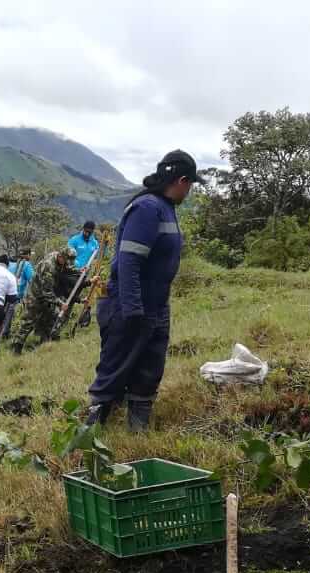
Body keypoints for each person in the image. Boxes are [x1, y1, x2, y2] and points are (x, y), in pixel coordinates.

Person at [87, 150, 199, 431]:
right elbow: (129, 261)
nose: (190, 190)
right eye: (191, 184)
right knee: (114, 372)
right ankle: (89, 436)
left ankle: (137, 433)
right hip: (130, 307)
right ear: (182, 180)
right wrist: (133, 310)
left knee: (149, 371)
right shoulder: (148, 208)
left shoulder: (166, 208)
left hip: (157, 307)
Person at [8, 247, 75, 355]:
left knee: (48, 319)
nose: (66, 264)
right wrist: (60, 303)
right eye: (66, 261)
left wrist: (78, 270)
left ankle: (43, 346)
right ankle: (16, 348)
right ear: (61, 256)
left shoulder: (58, 257)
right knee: (28, 322)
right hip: (35, 296)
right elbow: (46, 292)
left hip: (46, 297)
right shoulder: (49, 267)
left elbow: (67, 268)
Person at [2, 250, 34, 339]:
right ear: (28, 255)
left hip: (2, 293)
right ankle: (3, 334)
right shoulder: (26, 265)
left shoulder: (9, 264)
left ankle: (0, 333)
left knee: (2, 314)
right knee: (9, 315)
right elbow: (32, 280)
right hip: (15, 295)